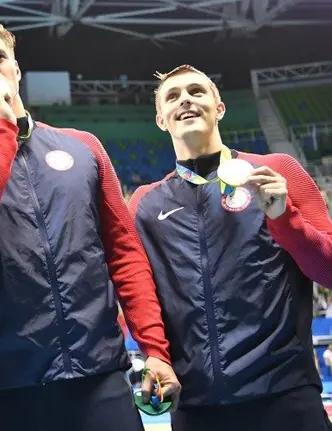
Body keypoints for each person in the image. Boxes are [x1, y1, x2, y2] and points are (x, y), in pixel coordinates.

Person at [0, 20, 181, 431]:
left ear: (16, 69)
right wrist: (1, 128)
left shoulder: (83, 146)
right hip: (14, 384)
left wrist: (155, 348)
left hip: (100, 373)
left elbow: (124, 253)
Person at [128, 64, 332, 431]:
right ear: (161, 119)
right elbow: (138, 293)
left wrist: (286, 220)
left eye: (196, 91)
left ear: (219, 107)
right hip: (197, 406)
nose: (185, 99)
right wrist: (155, 355)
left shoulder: (275, 171)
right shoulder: (145, 204)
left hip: (285, 396)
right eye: (173, 96)